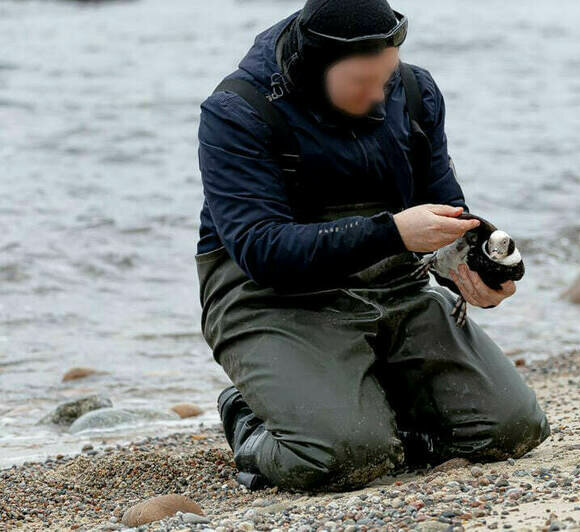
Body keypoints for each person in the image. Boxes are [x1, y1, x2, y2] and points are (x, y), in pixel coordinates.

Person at [194, 0, 550, 492]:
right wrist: (392, 233)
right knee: (343, 458)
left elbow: (445, 212)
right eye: (361, 83)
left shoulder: (414, 90)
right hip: (269, 299)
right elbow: (261, 250)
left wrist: (472, 271)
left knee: (512, 430)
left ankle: (374, 409)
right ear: (313, 68)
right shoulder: (238, 111)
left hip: (394, 287)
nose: (379, 96)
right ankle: (248, 420)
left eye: (386, 77)